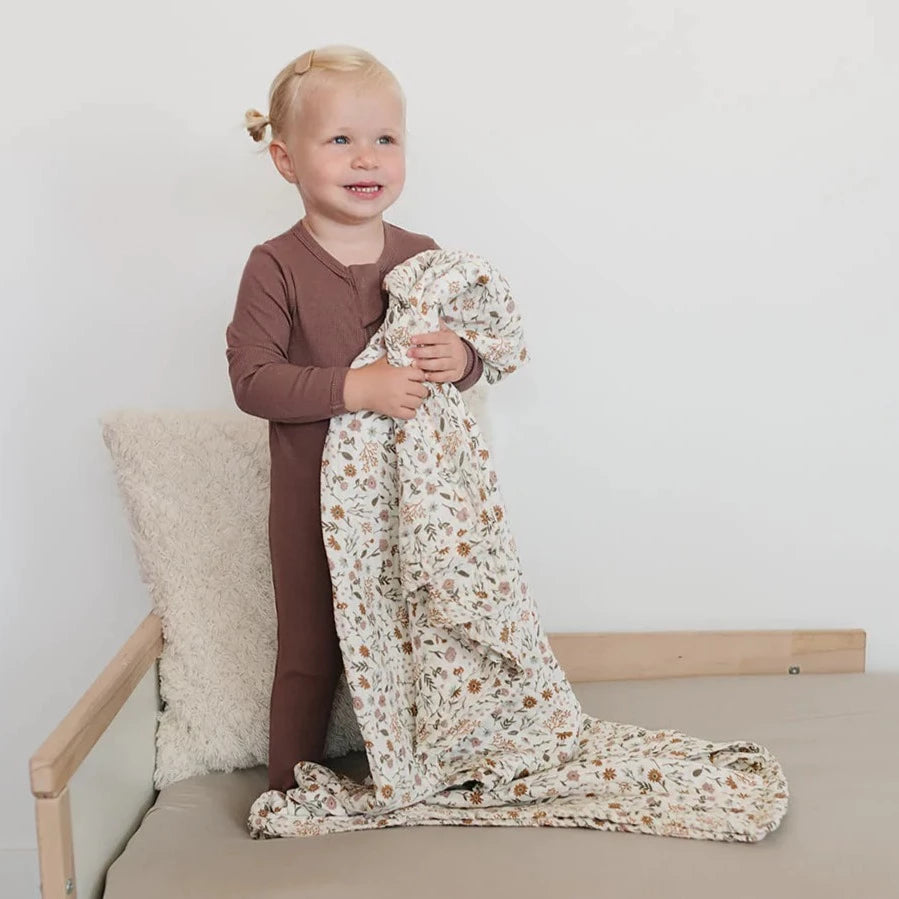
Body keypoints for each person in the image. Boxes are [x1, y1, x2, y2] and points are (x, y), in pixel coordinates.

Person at [225, 44, 485, 792]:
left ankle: (426, 768)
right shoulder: (274, 265)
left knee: (424, 636)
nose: (364, 157)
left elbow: (469, 364)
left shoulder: (423, 257)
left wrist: (457, 356)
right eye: (339, 139)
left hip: (412, 500)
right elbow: (253, 379)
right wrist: (355, 387)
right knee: (311, 647)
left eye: (385, 139)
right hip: (313, 506)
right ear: (285, 160)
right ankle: (290, 788)